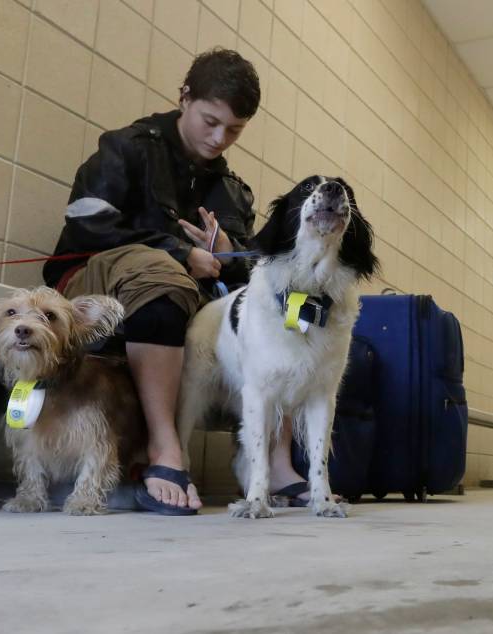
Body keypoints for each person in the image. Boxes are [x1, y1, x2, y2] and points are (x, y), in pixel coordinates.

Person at [42, 48, 312, 514]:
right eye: (210, 121)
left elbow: (251, 272)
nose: (219, 138)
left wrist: (229, 257)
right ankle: (165, 450)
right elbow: (86, 225)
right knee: (166, 279)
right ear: (184, 97)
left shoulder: (231, 189)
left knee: (289, 303)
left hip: (186, 292)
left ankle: (273, 459)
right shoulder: (127, 147)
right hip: (98, 277)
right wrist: (180, 252)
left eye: (234, 130)